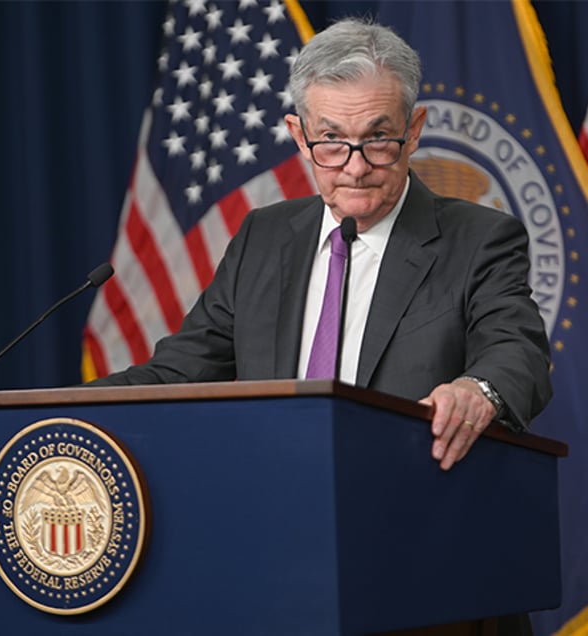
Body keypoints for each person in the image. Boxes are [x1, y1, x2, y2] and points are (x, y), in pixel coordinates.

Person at [89, 17, 552, 474]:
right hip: (274, 502)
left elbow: (519, 352)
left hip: (409, 501)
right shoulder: (263, 238)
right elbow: (177, 373)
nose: (355, 168)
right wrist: (64, 409)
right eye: (331, 140)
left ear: (413, 131)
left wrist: (477, 390)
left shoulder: (478, 239)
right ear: (299, 135)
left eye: (377, 139)